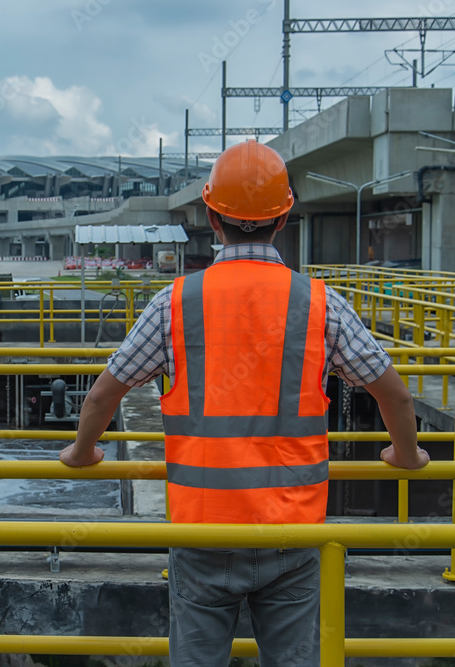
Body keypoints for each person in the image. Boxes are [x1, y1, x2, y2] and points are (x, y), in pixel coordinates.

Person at [59, 139, 430, 666]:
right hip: (292, 532)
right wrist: (406, 455)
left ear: (212, 216)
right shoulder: (321, 303)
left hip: (204, 530)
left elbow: (103, 395)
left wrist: (81, 453)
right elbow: (391, 392)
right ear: (284, 219)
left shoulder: (175, 303)